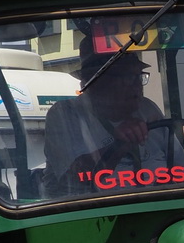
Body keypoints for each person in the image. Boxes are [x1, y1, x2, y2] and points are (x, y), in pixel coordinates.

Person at [42, 47, 170, 195]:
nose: (138, 85)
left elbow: (183, 169)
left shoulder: (148, 109)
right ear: (97, 82)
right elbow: (73, 182)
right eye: (129, 77)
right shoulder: (66, 114)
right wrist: (118, 146)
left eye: (139, 76)